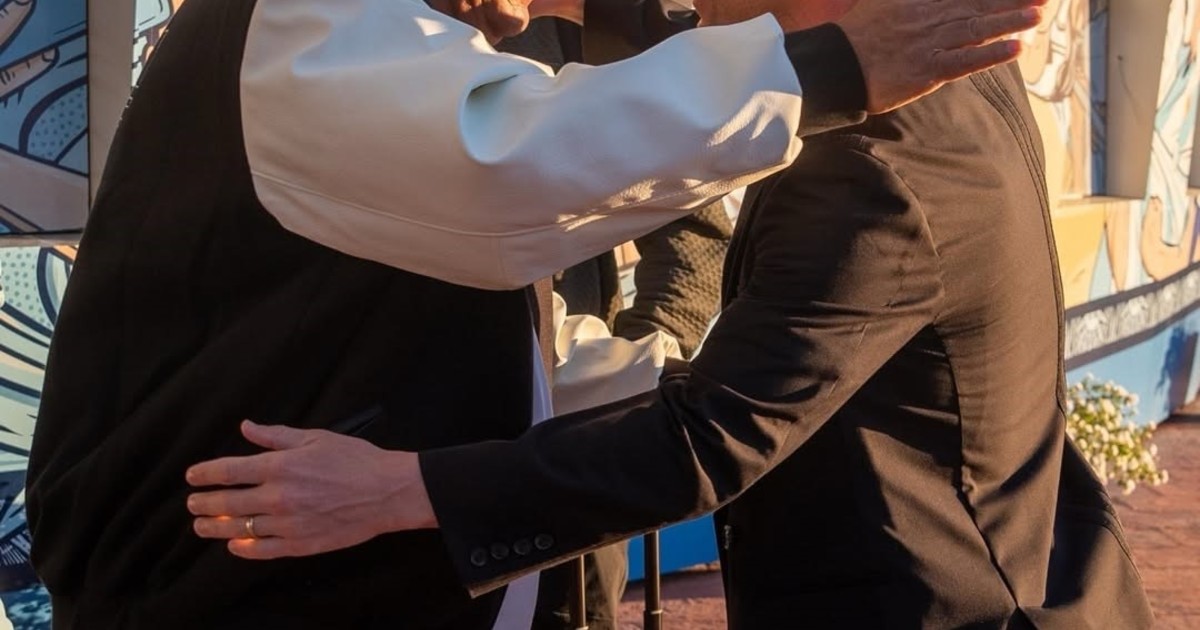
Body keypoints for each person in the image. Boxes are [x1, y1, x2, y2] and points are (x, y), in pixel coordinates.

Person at [27, 0, 1041, 627]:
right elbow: (513, 162)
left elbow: (475, 328)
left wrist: (678, 382)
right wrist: (826, 68)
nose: (525, 22)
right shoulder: (303, 18)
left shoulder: (898, 152)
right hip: (218, 591)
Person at [493, 11, 731, 627]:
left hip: (573, 445)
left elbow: (694, 219)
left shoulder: (584, 28)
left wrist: (632, 367)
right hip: (403, 443)